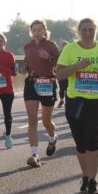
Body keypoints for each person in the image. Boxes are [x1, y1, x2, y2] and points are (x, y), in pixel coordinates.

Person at [55, 17, 98, 194]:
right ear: (79, 31)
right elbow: (59, 75)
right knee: (80, 144)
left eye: (91, 30)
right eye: (84, 30)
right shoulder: (70, 49)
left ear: (95, 30)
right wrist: (77, 66)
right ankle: (86, 175)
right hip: (76, 102)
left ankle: (92, 180)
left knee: (92, 141)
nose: (88, 33)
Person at [21, 19, 60, 167]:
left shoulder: (51, 45)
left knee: (46, 121)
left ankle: (52, 138)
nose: (37, 33)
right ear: (31, 31)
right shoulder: (27, 46)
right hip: (32, 82)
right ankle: (35, 154)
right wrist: (24, 68)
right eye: (34, 30)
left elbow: (60, 63)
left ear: (44, 31)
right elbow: (27, 62)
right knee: (32, 120)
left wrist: (49, 58)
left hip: (48, 83)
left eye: (39, 30)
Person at [57, 39, 71, 108]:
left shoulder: (71, 53)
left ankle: (68, 100)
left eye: (66, 45)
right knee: (62, 88)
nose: (64, 47)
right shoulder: (59, 53)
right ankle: (62, 100)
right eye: (63, 45)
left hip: (69, 74)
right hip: (61, 73)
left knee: (68, 87)